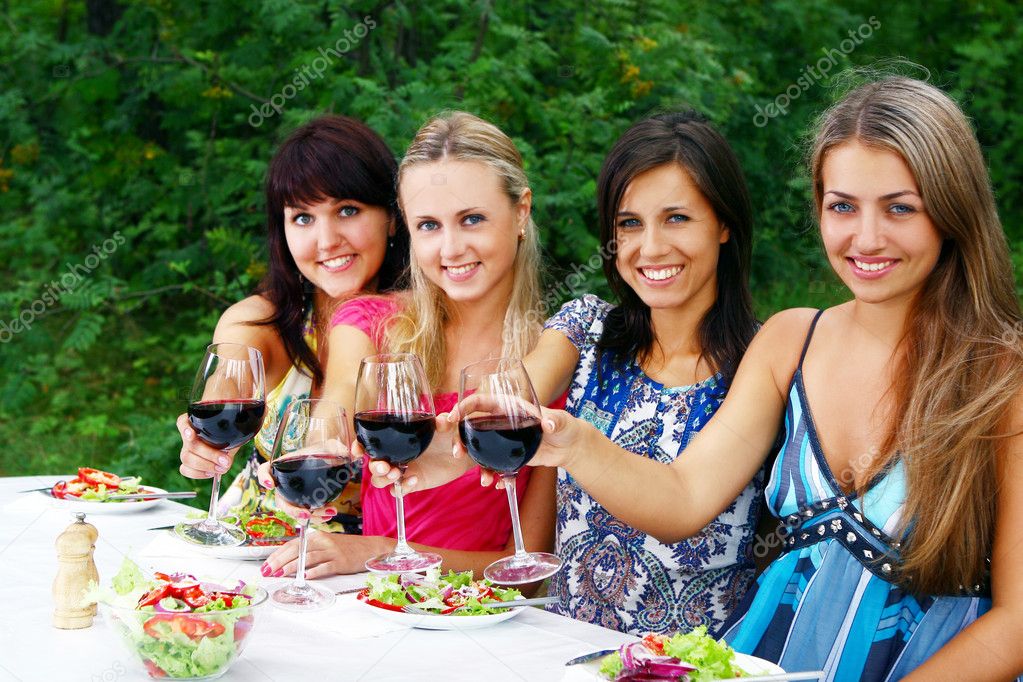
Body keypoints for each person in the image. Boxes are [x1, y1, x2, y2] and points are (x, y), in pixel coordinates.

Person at [516, 77, 1023, 680]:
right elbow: (683, 498)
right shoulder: (791, 341)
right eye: (842, 206)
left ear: (952, 208)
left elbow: (1018, 620)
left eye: (900, 207)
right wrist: (570, 441)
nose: (865, 238)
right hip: (774, 662)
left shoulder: (1001, 378)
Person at [370, 111, 765, 635]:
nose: (650, 247)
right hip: (568, 655)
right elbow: (512, 395)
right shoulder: (586, 327)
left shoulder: (763, 360)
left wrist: (574, 443)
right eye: (629, 223)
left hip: (694, 661)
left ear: (724, 224)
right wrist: (449, 449)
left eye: (677, 218)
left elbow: (683, 503)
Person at [258, 111, 560, 581]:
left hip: (491, 625)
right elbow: (336, 408)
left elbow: (529, 570)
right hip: (379, 610)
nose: (451, 248)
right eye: (429, 226)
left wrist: (373, 551)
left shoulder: (552, 360)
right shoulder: (372, 323)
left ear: (521, 212)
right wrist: (312, 456)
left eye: (472, 219)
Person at [176, 115, 409, 534]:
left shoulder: (421, 329)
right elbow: (229, 376)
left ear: (393, 217)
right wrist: (203, 439)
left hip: (369, 566)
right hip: (252, 544)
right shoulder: (264, 321)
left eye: (348, 210)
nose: (326, 240)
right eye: (303, 217)